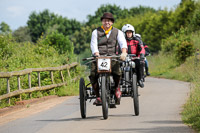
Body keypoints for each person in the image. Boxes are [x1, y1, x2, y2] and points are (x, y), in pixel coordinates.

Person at [90, 12, 127, 105]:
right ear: (102, 21)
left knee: (117, 72)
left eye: (109, 21)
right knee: (93, 75)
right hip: (99, 56)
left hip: (112, 56)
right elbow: (93, 44)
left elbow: (123, 43)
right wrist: (97, 54)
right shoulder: (95, 32)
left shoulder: (118, 32)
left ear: (112, 22)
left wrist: (123, 52)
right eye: (105, 20)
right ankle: (98, 96)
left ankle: (117, 87)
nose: (107, 22)